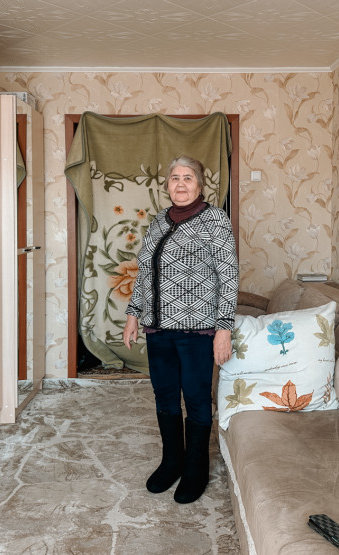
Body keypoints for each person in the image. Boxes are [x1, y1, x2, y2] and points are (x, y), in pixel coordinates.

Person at [123, 155, 239, 504]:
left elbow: (229, 275)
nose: (181, 184)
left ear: (200, 185)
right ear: (168, 185)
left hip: (197, 330)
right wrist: (133, 315)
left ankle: (195, 469)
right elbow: (145, 272)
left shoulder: (215, 219)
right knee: (165, 395)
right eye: (175, 178)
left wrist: (224, 329)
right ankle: (172, 460)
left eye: (188, 177)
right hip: (157, 328)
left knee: (197, 399)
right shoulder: (159, 220)